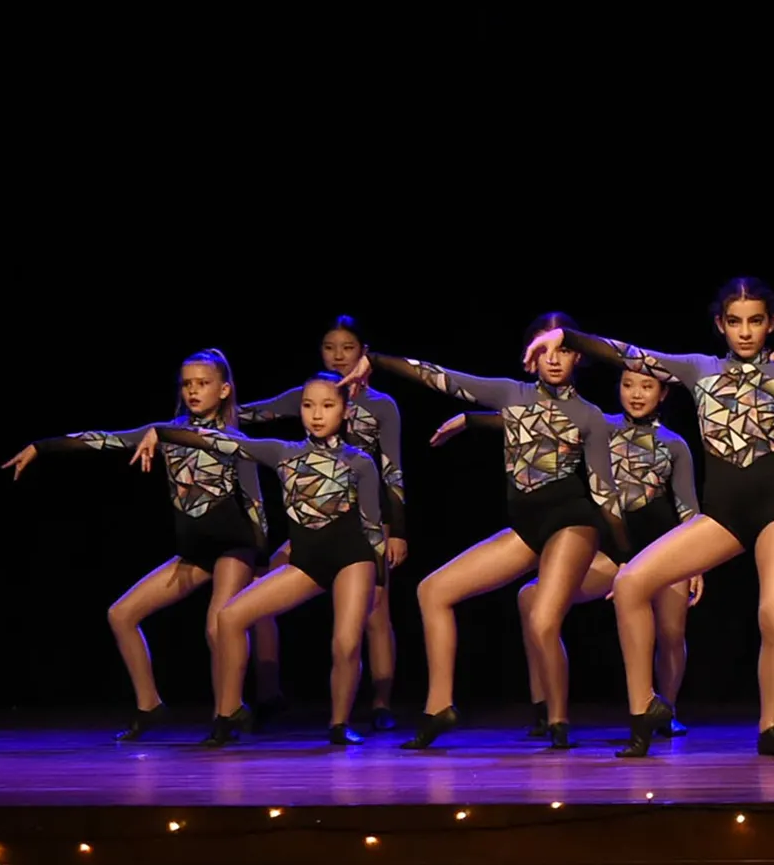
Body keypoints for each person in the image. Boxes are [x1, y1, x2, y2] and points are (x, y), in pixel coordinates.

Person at [519, 280, 774, 757]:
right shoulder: (699, 369)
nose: (745, 331)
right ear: (720, 325)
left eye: (755, 321)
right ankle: (643, 709)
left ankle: (769, 728)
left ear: (771, 324)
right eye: (735, 321)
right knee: (630, 584)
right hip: (723, 514)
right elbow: (630, 354)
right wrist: (568, 338)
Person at [337, 315, 624, 750]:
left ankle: (558, 720)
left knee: (543, 618)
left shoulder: (590, 415)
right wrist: (374, 360)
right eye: (543, 349)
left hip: (573, 521)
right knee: (433, 591)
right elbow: (443, 379)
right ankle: (439, 707)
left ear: (577, 357)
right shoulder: (511, 395)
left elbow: (605, 494)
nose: (553, 359)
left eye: (563, 350)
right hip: (526, 527)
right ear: (529, 357)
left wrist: (627, 559)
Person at [431, 361, 704, 752]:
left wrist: (695, 561)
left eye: (647, 387)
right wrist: (470, 420)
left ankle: (667, 709)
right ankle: (545, 708)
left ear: (663, 394)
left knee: (672, 632)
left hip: (665, 550)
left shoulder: (675, 444)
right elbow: (534, 422)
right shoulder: (600, 425)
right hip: (616, 554)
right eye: (628, 384)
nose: (636, 394)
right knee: (531, 597)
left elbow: (688, 508)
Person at [2, 348, 271, 741]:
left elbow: (256, 505)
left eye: (203, 383)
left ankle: (226, 713)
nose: (194, 391)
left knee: (218, 627)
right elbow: (105, 440)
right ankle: (150, 705)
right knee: (122, 614)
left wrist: (260, 560)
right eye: (187, 384)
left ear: (224, 389)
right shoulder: (163, 433)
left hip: (235, 546)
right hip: (194, 552)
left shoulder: (234, 441)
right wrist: (42, 447)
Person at [131, 372, 386, 745]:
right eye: (308, 405)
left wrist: (379, 581)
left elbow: (373, 526)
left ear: (346, 411)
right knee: (229, 617)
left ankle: (339, 723)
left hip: (353, 560)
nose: (317, 414)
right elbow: (220, 442)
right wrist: (162, 432)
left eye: (328, 405)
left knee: (345, 643)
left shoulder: (359, 462)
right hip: (306, 563)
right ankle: (228, 713)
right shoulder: (283, 452)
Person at [236, 314, 405, 729]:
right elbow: (252, 416)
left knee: (375, 612)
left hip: (367, 517)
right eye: (330, 347)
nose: (338, 356)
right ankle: (269, 692)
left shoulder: (381, 405)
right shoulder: (309, 395)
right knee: (261, 586)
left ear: (364, 352)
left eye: (348, 348)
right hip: (313, 516)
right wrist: (209, 414)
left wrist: (397, 531)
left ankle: (381, 702)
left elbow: (392, 471)